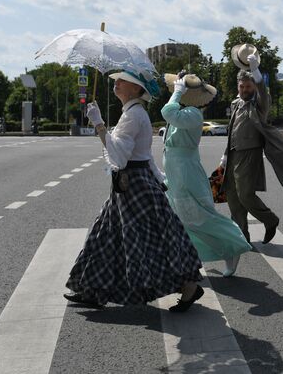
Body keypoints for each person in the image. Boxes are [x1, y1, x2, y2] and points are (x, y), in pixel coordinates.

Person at [64, 70, 204, 312]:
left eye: (122, 81)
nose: (116, 83)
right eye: (117, 80)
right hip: (131, 184)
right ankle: (93, 289)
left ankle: (188, 285)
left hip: (134, 186)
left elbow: (119, 156)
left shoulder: (133, 115)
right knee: (108, 235)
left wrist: (98, 124)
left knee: (143, 242)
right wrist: (159, 178)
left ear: (136, 89)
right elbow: (144, 154)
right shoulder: (132, 112)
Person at [161, 72, 252, 277]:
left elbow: (167, 112)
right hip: (176, 172)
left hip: (186, 173)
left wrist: (176, 93)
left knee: (200, 216)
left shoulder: (193, 113)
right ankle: (188, 261)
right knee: (180, 219)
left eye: (179, 88)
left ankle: (233, 247)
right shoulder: (183, 111)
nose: (174, 90)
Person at [220, 50, 283, 244]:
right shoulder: (236, 103)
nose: (245, 90)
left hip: (250, 154)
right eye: (242, 86)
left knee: (245, 195)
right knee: (232, 195)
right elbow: (232, 132)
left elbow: (263, 92)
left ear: (253, 86)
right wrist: (224, 155)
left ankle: (270, 219)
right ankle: (242, 238)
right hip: (232, 154)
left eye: (248, 86)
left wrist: (256, 71)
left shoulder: (260, 104)